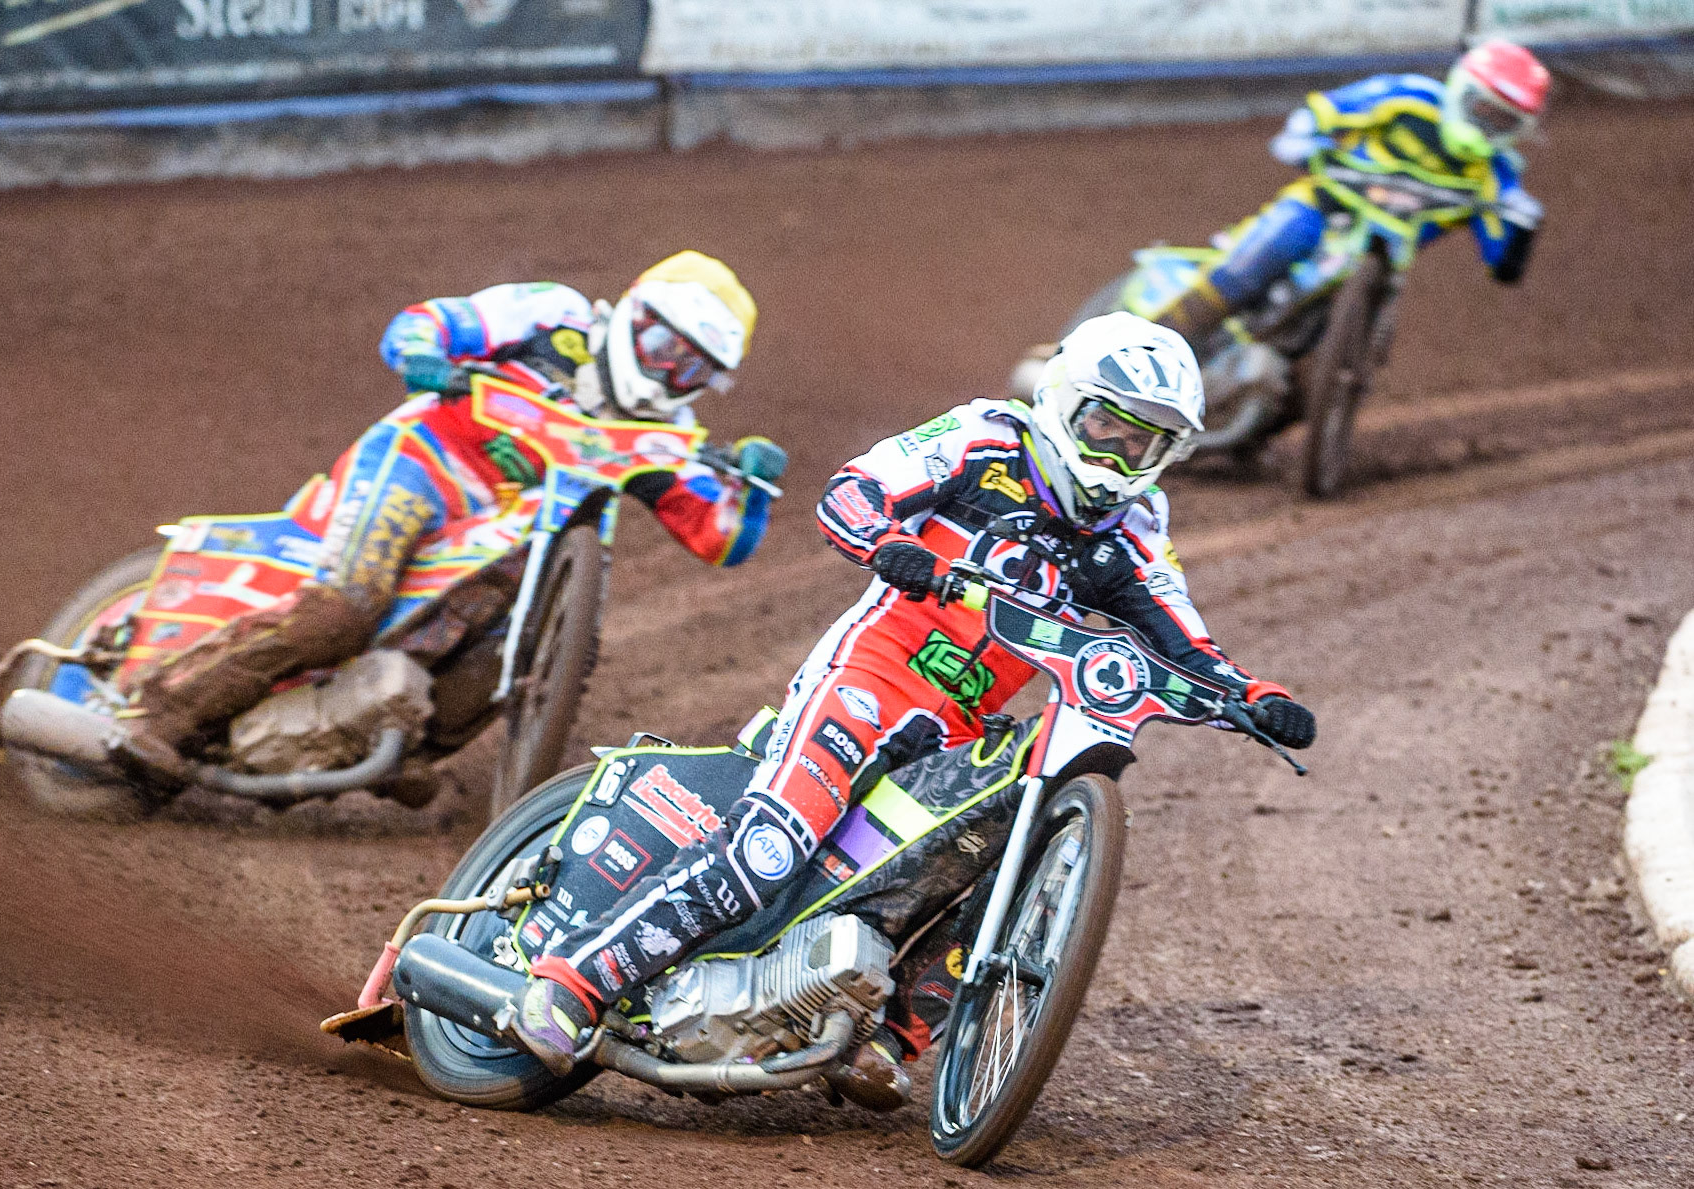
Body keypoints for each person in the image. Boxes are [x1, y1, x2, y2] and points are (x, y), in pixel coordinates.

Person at [508, 312, 1316, 1105]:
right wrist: (889, 544)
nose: (1119, 454)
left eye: (1143, 443)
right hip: (870, 676)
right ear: (1065, 400)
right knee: (770, 846)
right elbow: (855, 490)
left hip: (958, 729)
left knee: (988, 859)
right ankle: (574, 982)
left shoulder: (1132, 529)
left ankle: (890, 1034)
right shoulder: (986, 437)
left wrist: (1253, 696)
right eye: (1107, 426)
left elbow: (1184, 640)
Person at [114, 251, 787, 783]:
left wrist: (753, 486)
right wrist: (427, 359)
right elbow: (428, 323)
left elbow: (720, 538)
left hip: (519, 543)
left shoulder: (667, 437)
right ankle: (163, 712)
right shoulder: (556, 315)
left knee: (520, 657)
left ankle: (393, 753)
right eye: (663, 345)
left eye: (690, 367)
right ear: (633, 313)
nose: (666, 371)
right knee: (346, 607)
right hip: (426, 466)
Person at [1149, 39, 1551, 347]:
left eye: (1504, 121)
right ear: (1463, 90)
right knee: (1261, 256)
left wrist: (1523, 229)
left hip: (1382, 264)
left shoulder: (1496, 176)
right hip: (1324, 209)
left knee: (1372, 339)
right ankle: (1154, 341)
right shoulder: (1410, 98)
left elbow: (1502, 264)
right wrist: (1303, 139)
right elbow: (1326, 111)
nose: (1488, 126)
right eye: (1484, 110)